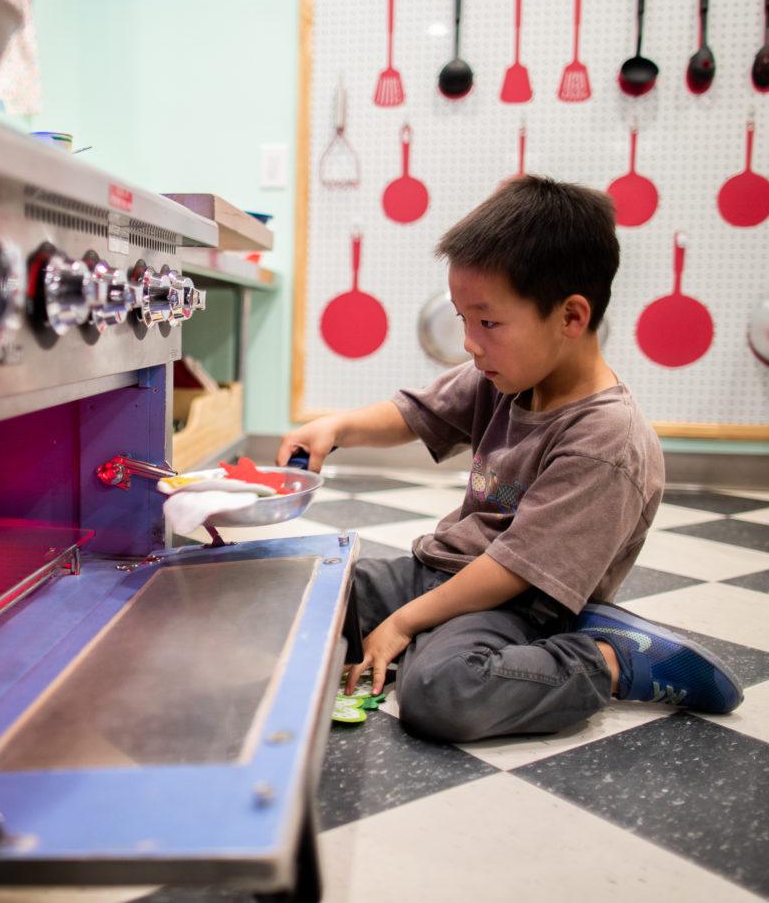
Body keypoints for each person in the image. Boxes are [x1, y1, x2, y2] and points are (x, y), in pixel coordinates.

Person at [277, 176, 743, 743]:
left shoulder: (608, 441)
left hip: (520, 603)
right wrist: (337, 426)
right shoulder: (503, 375)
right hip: (438, 573)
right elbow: (415, 413)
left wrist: (401, 623)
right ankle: (427, 637)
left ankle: (607, 659)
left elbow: (515, 569)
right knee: (292, 599)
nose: (470, 343)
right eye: (462, 319)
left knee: (443, 694)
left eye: (488, 322)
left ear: (571, 318)